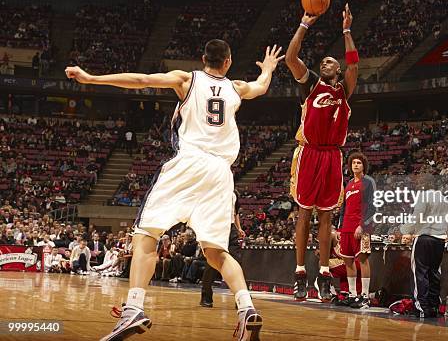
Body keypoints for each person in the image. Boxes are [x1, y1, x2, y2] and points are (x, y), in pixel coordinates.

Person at [65, 39, 284, 341]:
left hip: (189, 163)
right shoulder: (236, 88)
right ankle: (246, 308)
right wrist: (269, 68)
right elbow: (260, 86)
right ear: (228, 62)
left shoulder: (186, 79)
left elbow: (141, 81)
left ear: (202, 58)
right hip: (221, 173)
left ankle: (134, 308)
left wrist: (91, 78)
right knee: (216, 253)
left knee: (146, 237)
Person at [286, 3, 359, 302]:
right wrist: (304, 24)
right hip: (310, 153)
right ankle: (300, 273)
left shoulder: (344, 90)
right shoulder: (311, 86)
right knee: (304, 213)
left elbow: (354, 64)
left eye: (331, 61)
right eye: (323, 61)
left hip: (332, 155)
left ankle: (325, 273)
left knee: (327, 217)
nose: (325, 63)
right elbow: (291, 58)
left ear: (337, 69)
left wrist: (346, 30)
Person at [400, 174, 448, 318]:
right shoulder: (443, 198)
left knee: (419, 274)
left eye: (419, 182)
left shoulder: (424, 196)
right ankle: (434, 306)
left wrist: (404, 230)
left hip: (424, 238)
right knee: (434, 273)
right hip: (439, 240)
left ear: (425, 184)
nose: (417, 185)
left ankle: (421, 307)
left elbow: (417, 217)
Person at [337, 152, 375, 309]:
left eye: (359, 162)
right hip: (346, 227)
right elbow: (343, 208)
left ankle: (365, 296)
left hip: (362, 228)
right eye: (353, 163)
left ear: (363, 165)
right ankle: (353, 295)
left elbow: (372, 207)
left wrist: (362, 225)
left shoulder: (368, 182)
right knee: (348, 261)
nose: (356, 165)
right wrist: (340, 227)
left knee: (363, 260)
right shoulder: (348, 184)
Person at [200, 191, 245, 308]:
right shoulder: (213, 189)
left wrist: (238, 228)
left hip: (231, 229)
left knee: (237, 262)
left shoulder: (234, 194)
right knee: (212, 263)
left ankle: (241, 297)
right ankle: (206, 296)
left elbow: (235, 213)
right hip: (216, 228)